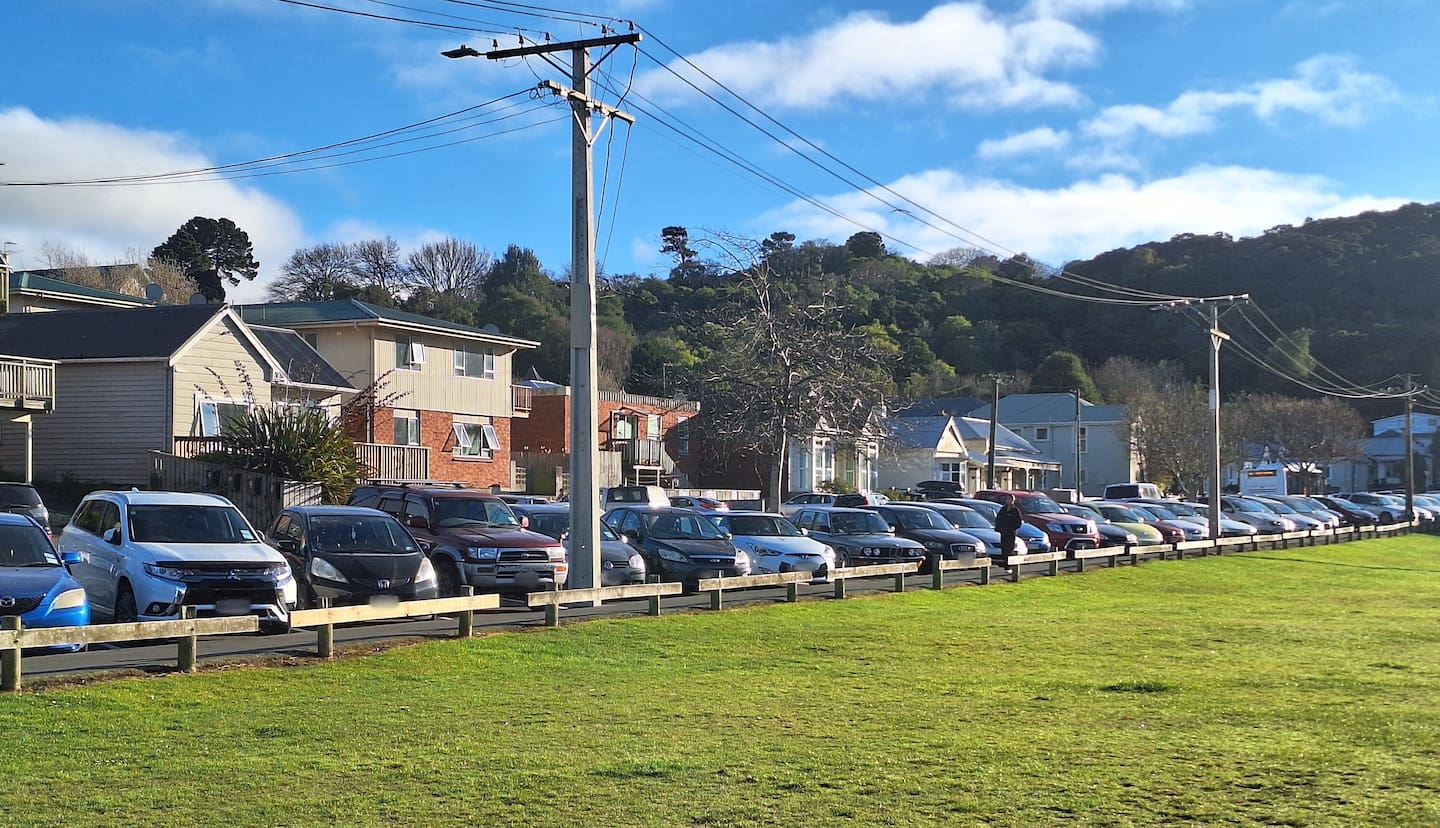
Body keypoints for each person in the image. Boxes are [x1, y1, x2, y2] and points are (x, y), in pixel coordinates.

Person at [996, 494, 1024, 558]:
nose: (1008, 501)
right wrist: (999, 528)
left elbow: (1018, 521)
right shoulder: (1003, 509)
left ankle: (1009, 562)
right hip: (1004, 532)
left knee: (1010, 547)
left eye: (1010, 499)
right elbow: (998, 519)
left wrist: (1013, 528)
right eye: (1007, 499)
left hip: (1011, 533)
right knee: (1004, 547)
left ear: (1013, 501)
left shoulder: (1015, 510)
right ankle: (1004, 560)